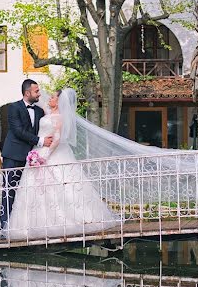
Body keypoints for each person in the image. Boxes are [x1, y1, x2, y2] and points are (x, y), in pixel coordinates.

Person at [6, 88, 118, 240]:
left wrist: (44, 156)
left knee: (62, 185)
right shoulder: (46, 113)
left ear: (59, 101)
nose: (49, 98)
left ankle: (70, 219)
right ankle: (31, 225)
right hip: (38, 150)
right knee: (35, 189)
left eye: (52, 97)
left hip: (52, 153)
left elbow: (57, 138)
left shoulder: (60, 117)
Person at [0, 79, 53, 234]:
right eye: (36, 91)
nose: (39, 94)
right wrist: (41, 141)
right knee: (9, 190)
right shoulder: (13, 108)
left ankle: (25, 227)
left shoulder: (39, 111)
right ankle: (4, 227)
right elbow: (18, 131)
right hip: (13, 155)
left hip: (32, 158)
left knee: (28, 192)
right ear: (27, 92)